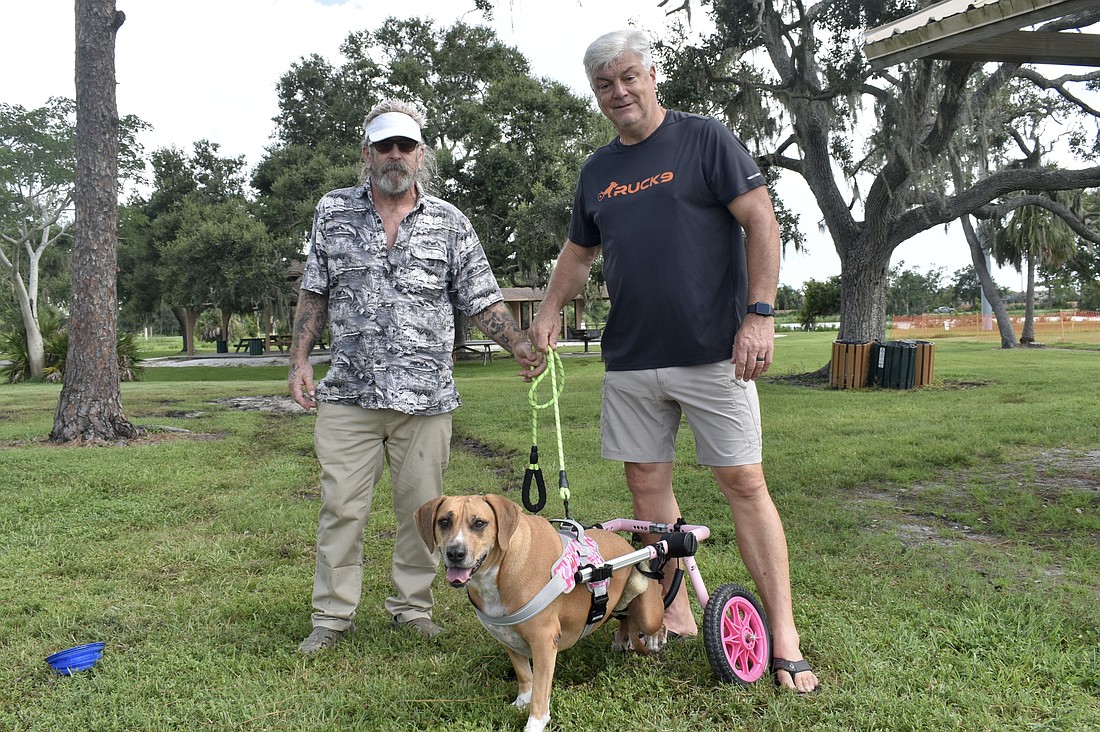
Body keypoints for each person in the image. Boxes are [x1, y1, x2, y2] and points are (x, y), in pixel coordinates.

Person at [527, 30, 819, 693]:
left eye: (628, 76)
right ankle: (677, 611)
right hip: (631, 359)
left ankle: (784, 636)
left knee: (744, 484)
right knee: (647, 496)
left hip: (714, 352)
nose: (619, 92)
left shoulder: (704, 139)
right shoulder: (597, 171)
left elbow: (762, 221)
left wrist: (759, 314)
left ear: (652, 74)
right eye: (605, 84)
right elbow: (578, 255)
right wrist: (546, 314)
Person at [289, 99, 541, 654]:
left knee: (425, 516)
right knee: (342, 509)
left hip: (426, 399)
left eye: (406, 145)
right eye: (385, 146)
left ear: (420, 153)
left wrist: (518, 341)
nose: (395, 155)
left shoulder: (450, 222)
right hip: (349, 392)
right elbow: (314, 292)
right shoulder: (332, 212)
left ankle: (412, 608)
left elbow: (481, 298)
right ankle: (331, 619)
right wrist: (300, 358)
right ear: (367, 154)